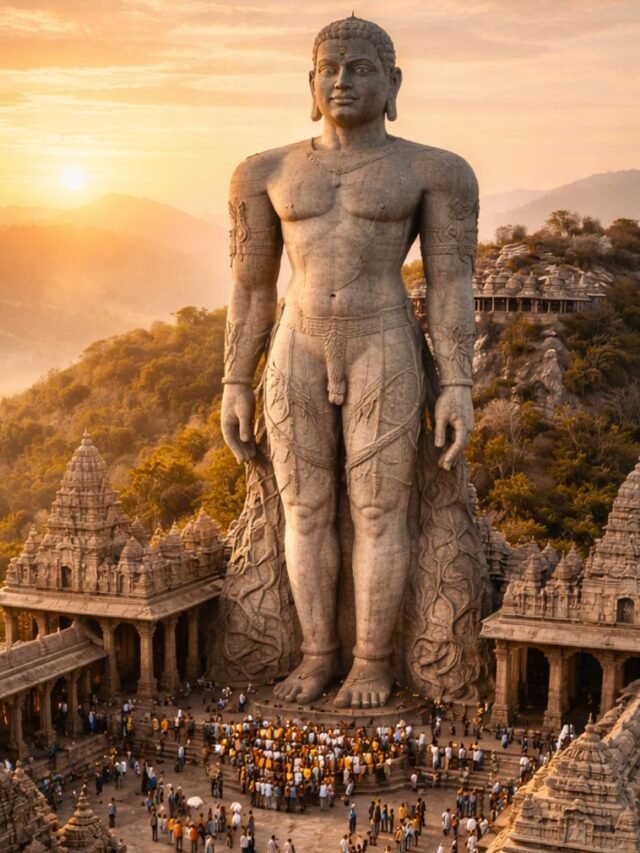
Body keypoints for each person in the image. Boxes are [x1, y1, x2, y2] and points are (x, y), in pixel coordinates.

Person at [221, 14, 477, 710]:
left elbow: (453, 281)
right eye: (330, 68)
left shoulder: (435, 171)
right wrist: (234, 381)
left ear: (393, 82)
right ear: (310, 82)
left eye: (361, 68)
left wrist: (456, 381)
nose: (343, 80)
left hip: (384, 338)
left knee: (377, 508)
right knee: (305, 509)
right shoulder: (264, 171)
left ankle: (371, 661)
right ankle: (316, 654)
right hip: (295, 343)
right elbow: (250, 287)